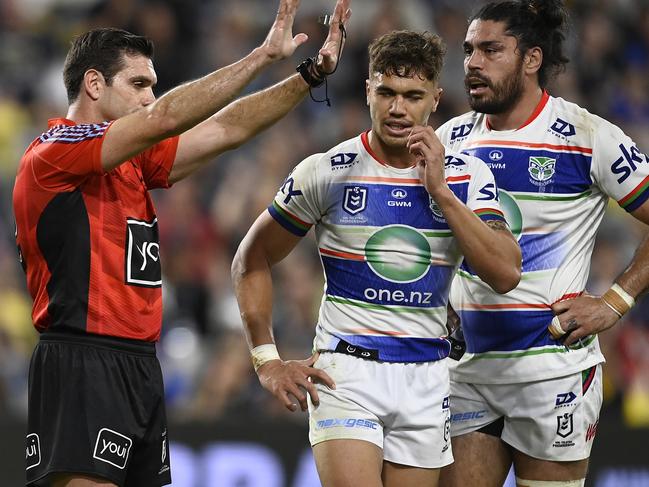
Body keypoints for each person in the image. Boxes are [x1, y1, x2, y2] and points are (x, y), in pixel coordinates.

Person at [12, 0, 351, 485]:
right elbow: (166, 119)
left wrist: (310, 74)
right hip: (83, 360)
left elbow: (227, 129)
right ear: (93, 85)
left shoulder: (130, 163)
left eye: (153, 86)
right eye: (139, 85)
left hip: (140, 366)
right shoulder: (54, 154)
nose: (151, 97)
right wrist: (259, 57)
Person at [231, 30, 521, 487]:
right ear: (368, 90)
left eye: (412, 95)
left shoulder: (466, 177)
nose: (398, 108)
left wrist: (441, 192)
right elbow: (251, 258)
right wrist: (266, 360)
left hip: (427, 375)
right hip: (346, 372)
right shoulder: (327, 171)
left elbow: (505, 273)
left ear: (435, 99)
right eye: (386, 92)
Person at [435, 1, 649, 486]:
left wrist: (616, 301)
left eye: (491, 50)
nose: (472, 62)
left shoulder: (586, 136)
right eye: (469, 50)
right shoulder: (450, 140)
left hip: (551, 372)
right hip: (466, 372)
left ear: (531, 59)